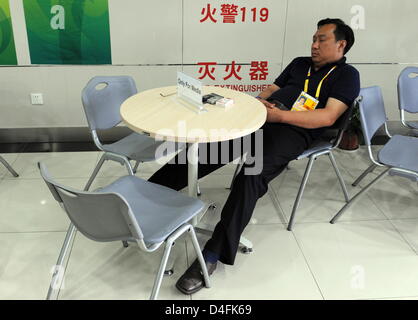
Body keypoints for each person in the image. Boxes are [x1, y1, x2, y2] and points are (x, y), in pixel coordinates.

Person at [148, 18, 360, 295]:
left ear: (341, 44)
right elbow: (273, 88)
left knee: (252, 173)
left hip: (296, 131)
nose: (314, 44)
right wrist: (260, 103)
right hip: (265, 116)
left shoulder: (347, 75)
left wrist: (280, 115)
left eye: (322, 39)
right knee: (207, 147)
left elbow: (328, 115)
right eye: (313, 38)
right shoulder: (299, 63)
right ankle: (146, 197)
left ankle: (211, 255)